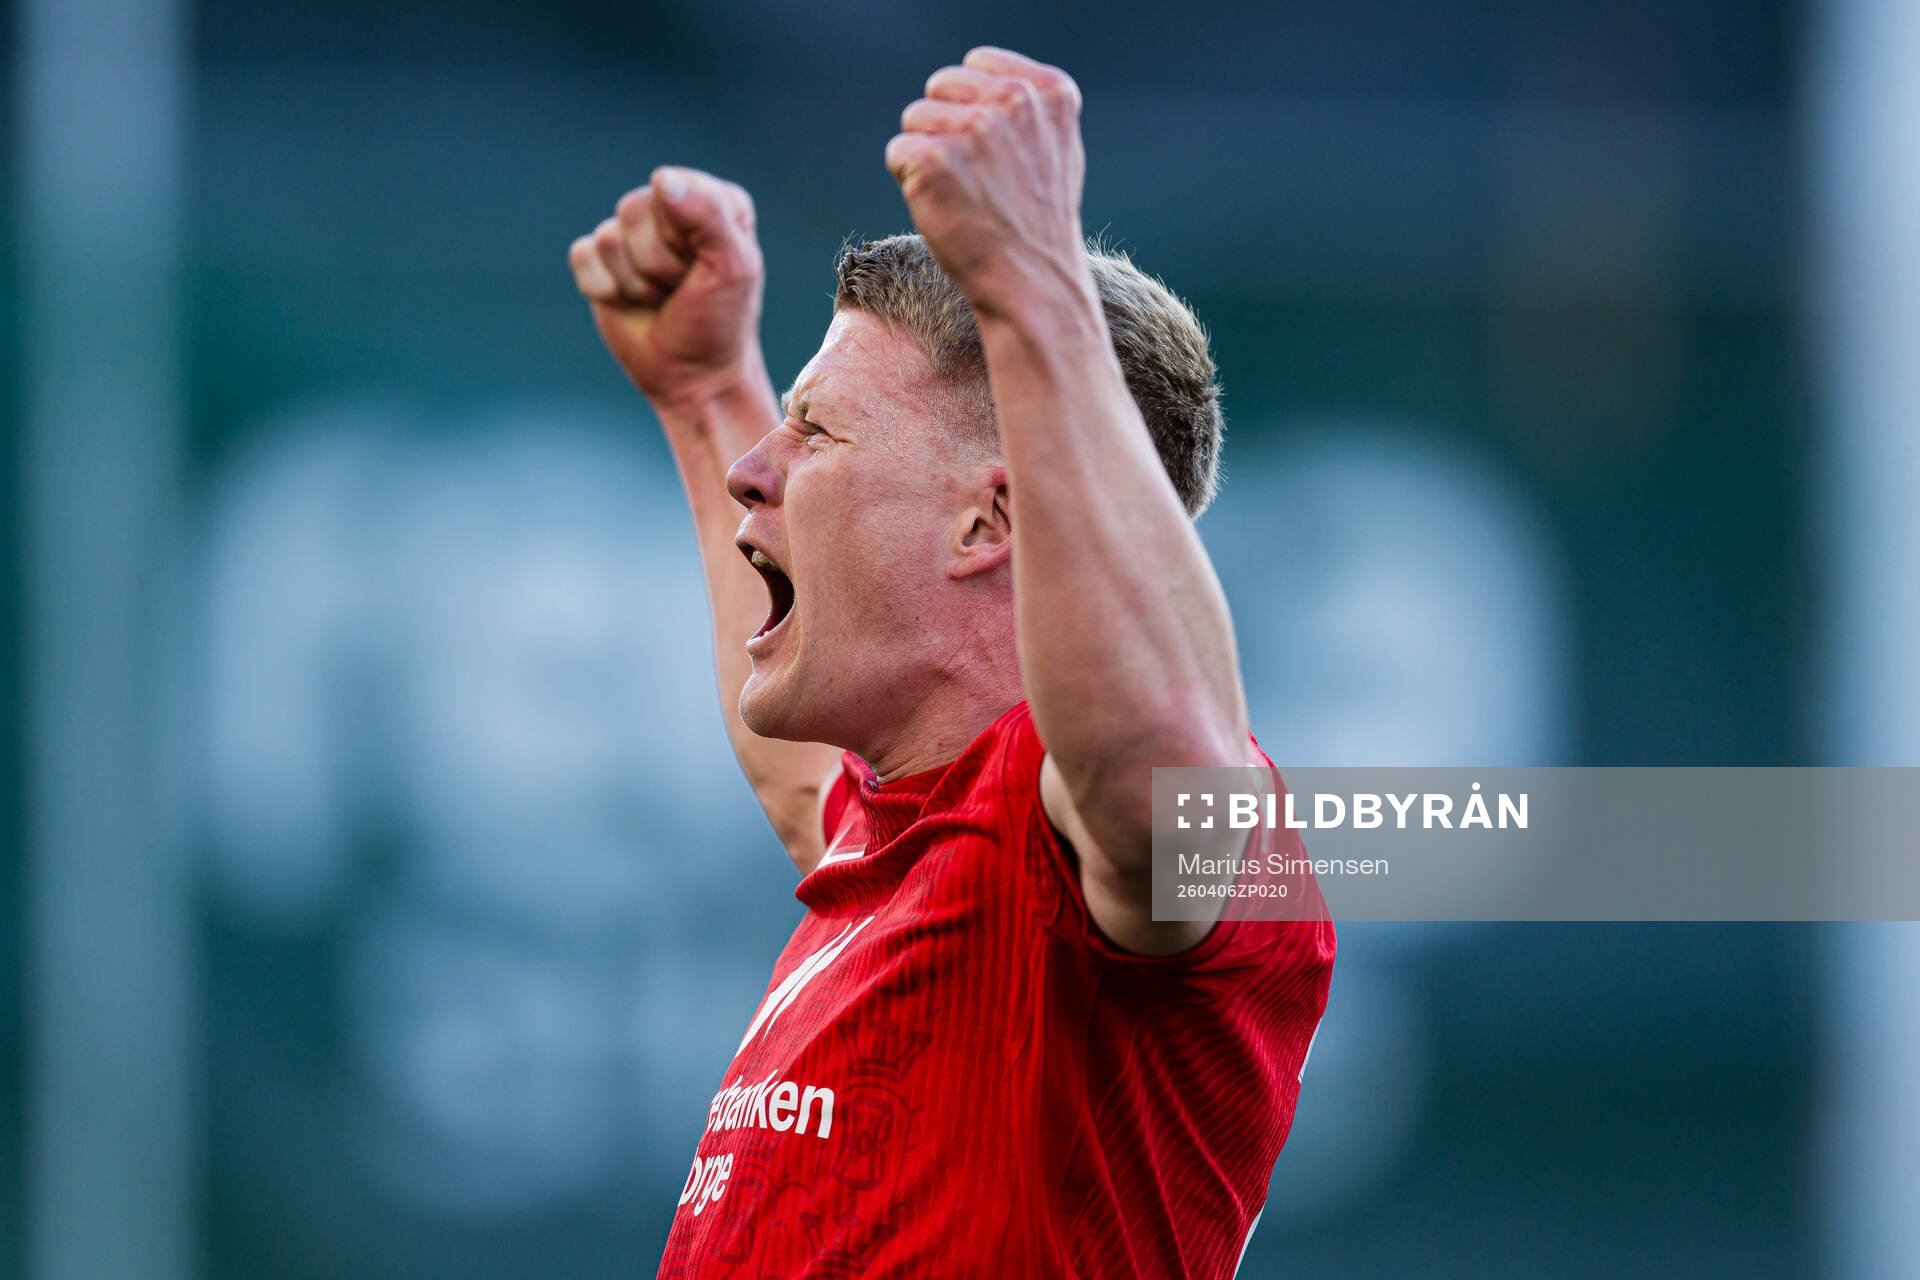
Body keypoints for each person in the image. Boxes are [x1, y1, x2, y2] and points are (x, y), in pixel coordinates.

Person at [568, 46, 1334, 1279]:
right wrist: (705, 387)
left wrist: (1033, 277)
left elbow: (1155, 774)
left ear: (989, 520)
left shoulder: (1125, 831)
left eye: (814, 430)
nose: (754, 468)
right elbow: (802, 786)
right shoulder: (912, 842)